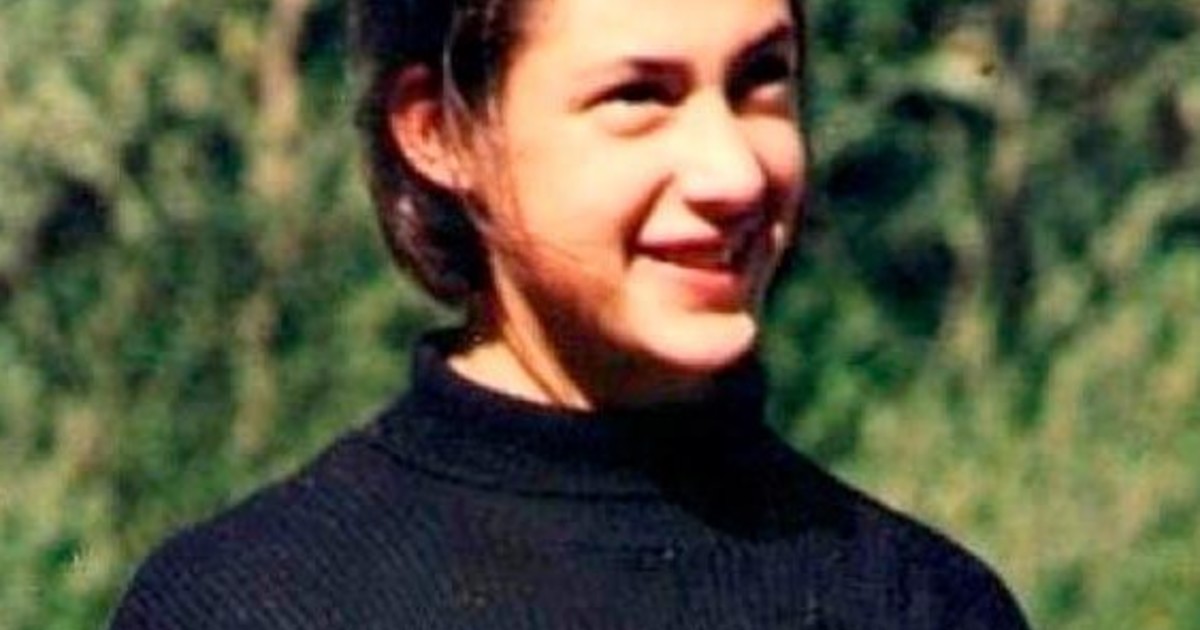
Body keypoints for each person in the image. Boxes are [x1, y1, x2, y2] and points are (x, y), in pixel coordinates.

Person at [110, 0, 1031, 627]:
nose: (734, 173)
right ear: (439, 132)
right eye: (639, 96)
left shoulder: (917, 602)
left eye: (762, 79)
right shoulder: (252, 602)